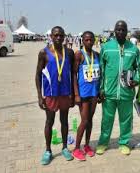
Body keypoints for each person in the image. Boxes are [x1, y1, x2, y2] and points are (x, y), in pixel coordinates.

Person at [96, 20, 140, 155]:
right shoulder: (106, 47)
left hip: (126, 92)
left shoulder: (133, 49)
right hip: (109, 92)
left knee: (126, 119)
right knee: (106, 120)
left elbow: (138, 67)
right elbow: (101, 70)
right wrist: (101, 89)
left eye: (123, 30)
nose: (120, 32)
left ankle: (124, 142)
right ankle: (103, 143)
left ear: (127, 32)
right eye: (118, 29)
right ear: (114, 31)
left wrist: (137, 80)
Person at [35, 26, 74, 165]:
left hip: (64, 93)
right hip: (50, 94)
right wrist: (40, 96)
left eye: (61, 35)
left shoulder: (69, 53)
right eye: (56, 35)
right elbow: (38, 75)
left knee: (64, 121)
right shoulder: (43, 53)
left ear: (64, 37)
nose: (58, 38)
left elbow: (73, 74)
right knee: (49, 122)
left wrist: (73, 95)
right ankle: (48, 150)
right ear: (51, 36)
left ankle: (64, 147)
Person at [72, 31, 100, 161]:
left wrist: (99, 91)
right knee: (84, 121)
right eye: (86, 40)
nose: (89, 42)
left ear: (94, 41)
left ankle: (87, 145)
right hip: (83, 93)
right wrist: (76, 94)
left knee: (90, 120)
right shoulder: (79, 54)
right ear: (82, 41)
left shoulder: (96, 55)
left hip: (94, 92)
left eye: (91, 40)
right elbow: (73, 75)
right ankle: (76, 148)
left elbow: (99, 74)